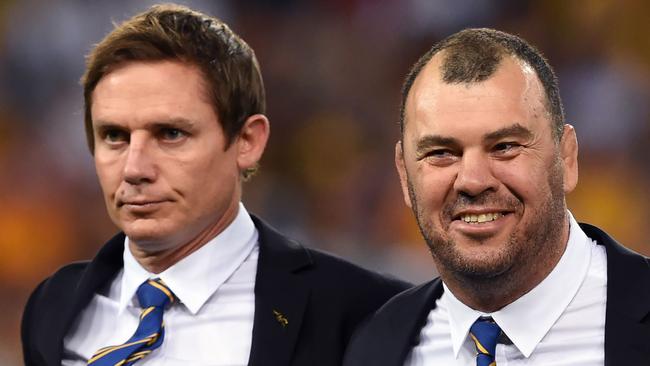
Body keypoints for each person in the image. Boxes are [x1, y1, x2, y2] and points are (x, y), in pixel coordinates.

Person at [21, 4, 409, 366]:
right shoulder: (53, 306)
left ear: (247, 141)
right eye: (114, 136)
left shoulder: (367, 312)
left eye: (171, 133)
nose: (134, 168)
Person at [343, 28, 650, 366]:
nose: (473, 181)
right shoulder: (373, 344)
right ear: (404, 174)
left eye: (504, 147)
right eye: (442, 152)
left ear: (567, 158)